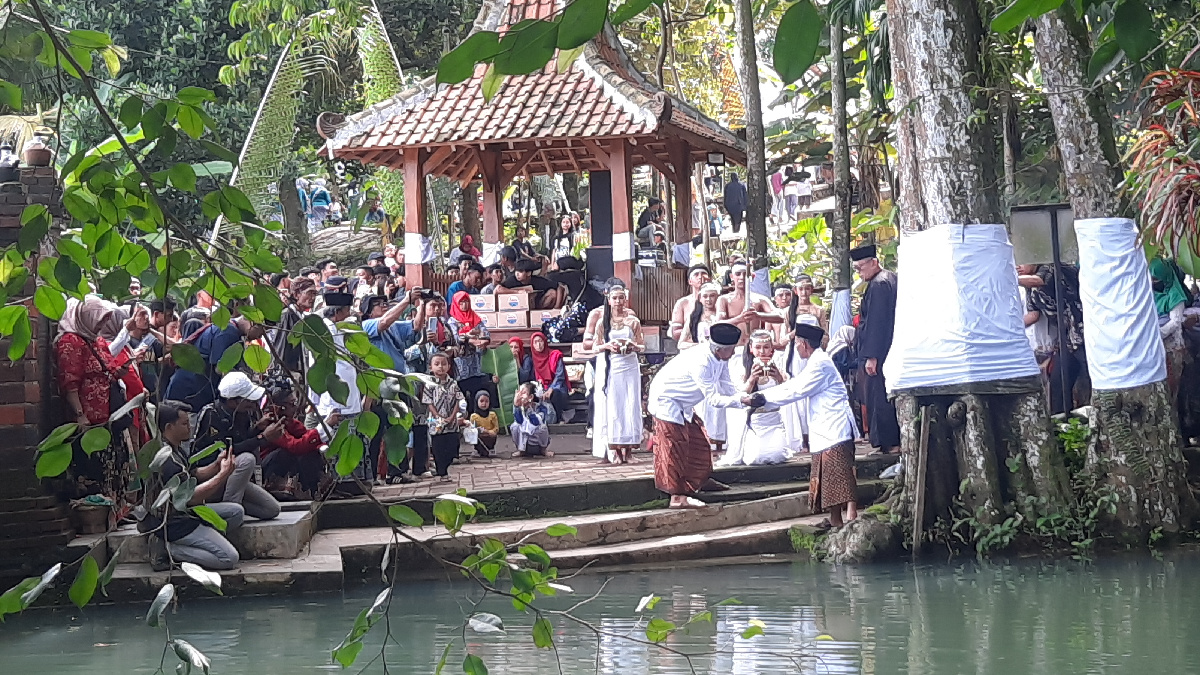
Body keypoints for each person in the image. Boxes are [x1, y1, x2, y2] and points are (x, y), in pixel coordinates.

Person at [755, 323, 859, 527]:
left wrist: (762, 398)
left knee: (838, 475)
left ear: (802, 344)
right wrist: (763, 397)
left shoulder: (820, 363)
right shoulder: (815, 361)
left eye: (796, 344)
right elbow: (795, 386)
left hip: (834, 427)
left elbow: (797, 390)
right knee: (827, 476)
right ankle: (835, 519)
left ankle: (847, 520)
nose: (796, 348)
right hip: (825, 428)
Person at [647, 323, 751, 508]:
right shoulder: (702, 362)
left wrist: (745, 395)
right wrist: (741, 402)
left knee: (700, 442)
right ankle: (677, 498)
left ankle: (698, 481)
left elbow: (727, 385)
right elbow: (713, 399)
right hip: (667, 402)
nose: (734, 353)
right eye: (733, 349)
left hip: (684, 404)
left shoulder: (720, 358)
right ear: (720, 349)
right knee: (674, 448)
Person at [140, 402, 245, 571]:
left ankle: (200, 542)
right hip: (174, 522)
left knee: (236, 513)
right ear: (169, 427)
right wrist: (223, 474)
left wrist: (217, 465)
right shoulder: (166, 459)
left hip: (187, 513)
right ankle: (167, 550)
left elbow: (194, 474)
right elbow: (191, 498)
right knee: (229, 559)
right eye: (184, 424)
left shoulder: (176, 448)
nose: (190, 427)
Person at [55, 298, 137, 503]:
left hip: (110, 416)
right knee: (97, 468)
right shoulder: (71, 342)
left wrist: (120, 371)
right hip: (91, 419)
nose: (101, 325)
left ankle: (118, 508)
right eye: (99, 320)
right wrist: (80, 415)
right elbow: (70, 382)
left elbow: (105, 371)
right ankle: (103, 511)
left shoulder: (96, 340)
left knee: (116, 464)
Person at [192, 372, 283, 521]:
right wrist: (262, 438)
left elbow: (241, 440)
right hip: (211, 474)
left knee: (271, 509)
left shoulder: (243, 413)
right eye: (248, 400)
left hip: (232, 477)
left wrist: (256, 429)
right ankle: (230, 510)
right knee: (247, 459)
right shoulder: (211, 414)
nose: (253, 405)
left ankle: (230, 505)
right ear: (232, 401)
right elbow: (226, 451)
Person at [584, 280, 644, 464]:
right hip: (611, 366)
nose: (618, 302)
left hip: (630, 366)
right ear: (608, 299)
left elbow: (642, 345)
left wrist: (632, 346)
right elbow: (594, 347)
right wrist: (607, 346)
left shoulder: (633, 321)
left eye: (621, 298)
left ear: (625, 300)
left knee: (630, 404)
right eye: (614, 298)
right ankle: (615, 450)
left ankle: (629, 450)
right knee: (614, 407)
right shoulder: (603, 322)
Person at [850, 244, 900, 454]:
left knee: (878, 396)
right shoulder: (887, 279)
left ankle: (888, 443)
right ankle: (886, 442)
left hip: (880, 351)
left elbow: (877, 323)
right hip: (886, 350)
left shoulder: (880, 284)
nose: (859, 273)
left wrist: (872, 356)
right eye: (856, 269)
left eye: (861, 267)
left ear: (874, 262)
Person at [1020, 262, 1086, 415]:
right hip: (1067, 338)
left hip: (1085, 329)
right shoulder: (1030, 287)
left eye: (1023, 262)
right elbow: (1033, 315)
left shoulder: (1051, 268)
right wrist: (1009, 326)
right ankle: (1063, 420)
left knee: (1090, 372)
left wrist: (1009, 277)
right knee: (1058, 381)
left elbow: (1039, 280)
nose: (1019, 266)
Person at [718, 330, 792, 466]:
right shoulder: (743, 368)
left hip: (773, 421)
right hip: (753, 422)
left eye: (766, 347)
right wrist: (752, 379)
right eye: (758, 347)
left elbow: (789, 393)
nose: (762, 351)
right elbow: (739, 395)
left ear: (771, 349)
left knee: (776, 455)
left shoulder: (779, 367)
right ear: (751, 348)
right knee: (755, 458)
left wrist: (779, 379)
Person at [259, 379, 335, 499]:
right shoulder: (271, 425)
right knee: (286, 453)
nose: (295, 408)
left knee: (311, 451)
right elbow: (295, 446)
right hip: (269, 466)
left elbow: (305, 435)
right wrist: (325, 426)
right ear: (280, 407)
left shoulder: (291, 422)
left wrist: (322, 449)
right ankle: (277, 485)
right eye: (292, 404)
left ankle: (317, 486)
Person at [448, 291, 498, 418]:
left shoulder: (475, 317)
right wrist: (468, 338)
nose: (464, 305)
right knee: (463, 393)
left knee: (478, 391)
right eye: (461, 302)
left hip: (476, 363)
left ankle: (479, 419)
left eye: (466, 302)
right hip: (461, 364)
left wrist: (484, 341)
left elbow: (485, 333)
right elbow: (456, 337)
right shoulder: (452, 321)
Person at [423, 352, 465, 481]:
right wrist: (437, 416)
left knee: (452, 446)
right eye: (437, 364)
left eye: (443, 364)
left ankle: (446, 466)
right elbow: (428, 402)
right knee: (438, 447)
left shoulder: (453, 383)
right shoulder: (429, 384)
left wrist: (452, 416)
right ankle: (442, 473)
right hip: (436, 422)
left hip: (451, 421)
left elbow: (458, 400)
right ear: (431, 367)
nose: (440, 367)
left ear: (448, 366)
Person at [716, 263, 783, 343]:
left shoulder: (760, 300)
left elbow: (781, 317)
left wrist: (758, 315)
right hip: (733, 348)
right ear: (732, 277)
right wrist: (739, 319)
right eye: (738, 274)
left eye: (745, 274)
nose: (741, 277)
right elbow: (718, 325)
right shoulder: (724, 300)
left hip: (755, 348)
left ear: (752, 276)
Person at [1152, 258, 1188, 404]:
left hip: (1172, 347)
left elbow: (1175, 322)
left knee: (1171, 388)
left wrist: (1157, 334)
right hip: (1155, 347)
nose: (1153, 282)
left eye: (1156, 279)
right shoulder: (1150, 293)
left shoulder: (1175, 296)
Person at [525, 331, 571, 422]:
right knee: (530, 394)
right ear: (532, 345)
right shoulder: (532, 359)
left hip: (557, 387)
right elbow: (531, 378)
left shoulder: (555, 355)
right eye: (535, 342)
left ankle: (558, 420)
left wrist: (551, 388)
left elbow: (560, 376)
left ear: (545, 342)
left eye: (540, 341)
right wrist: (538, 386)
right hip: (540, 387)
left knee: (555, 394)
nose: (538, 345)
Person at [510, 382, 554, 458]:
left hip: (537, 442)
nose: (520, 395)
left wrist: (529, 409)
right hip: (524, 442)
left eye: (523, 393)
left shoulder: (541, 408)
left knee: (543, 427)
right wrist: (516, 406)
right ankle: (521, 450)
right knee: (514, 426)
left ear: (530, 397)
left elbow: (536, 422)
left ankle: (543, 450)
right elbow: (519, 421)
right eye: (519, 392)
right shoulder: (520, 408)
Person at [499, 259, 565, 309]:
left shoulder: (538, 281)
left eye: (521, 271)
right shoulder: (512, 280)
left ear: (528, 273)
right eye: (516, 271)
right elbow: (498, 289)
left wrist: (557, 307)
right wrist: (517, 292)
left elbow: (560, 287)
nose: (517, 274)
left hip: (537, 307)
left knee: (552, 292)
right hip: (516, 308)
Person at [670, 265, 712, 341]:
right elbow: (675, 333)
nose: (700, 277)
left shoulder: (719, 301)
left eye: (703, 274)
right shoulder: (682, 303)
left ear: (709, 279)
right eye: (696, 275)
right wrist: (698, 331)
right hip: (689, 346)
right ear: (690, 281)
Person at [678, 282, 723, 350]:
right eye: (705, 296)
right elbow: (681, 344)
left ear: (718, 297)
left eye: (712, 296)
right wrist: (700, 346)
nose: (708, 299)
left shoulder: (722, 315)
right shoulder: (694, 318)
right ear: (700, 298)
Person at [469, 391, 499, 458]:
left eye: (486, 401)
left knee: (493, 435)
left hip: (490, 435)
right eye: (481, 401)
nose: (484, 404)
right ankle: (478, 449)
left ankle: (491, 449)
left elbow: (496, 428)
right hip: (479, 436)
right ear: (477, 402)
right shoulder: (474, 416)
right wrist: (479, 430)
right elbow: (472, 429)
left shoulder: (492, 415)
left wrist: (490, 432)